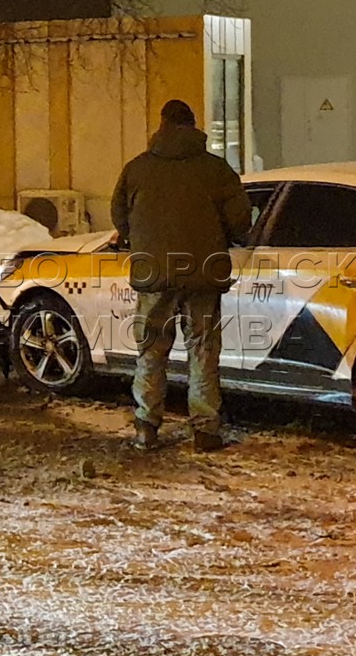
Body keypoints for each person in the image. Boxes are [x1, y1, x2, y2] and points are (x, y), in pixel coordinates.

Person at [108, 99, 253, 452]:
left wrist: (139, 240)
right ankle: (205, 430)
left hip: (153, 275)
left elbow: (118, 217)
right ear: (194, 126)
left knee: (151, 351)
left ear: (162, 125)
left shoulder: (136, 169)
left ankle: (146, 425)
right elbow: (240, 222)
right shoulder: (216, 170)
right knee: (202, 350)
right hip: (203, 276)